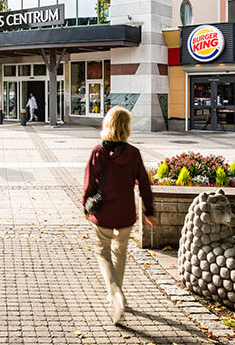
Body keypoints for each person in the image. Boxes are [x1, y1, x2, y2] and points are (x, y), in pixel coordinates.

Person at [82, 106, 155, 324]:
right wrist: (149, 211)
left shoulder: (98, 152)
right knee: (120, 252)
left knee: (103, 253)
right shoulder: (133, 153)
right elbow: (144, 184)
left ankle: (115, 293)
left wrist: (85, 206)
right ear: (126, 127)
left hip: (103, 213)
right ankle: (117, 294)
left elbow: (89, 182)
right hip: (125, 214)